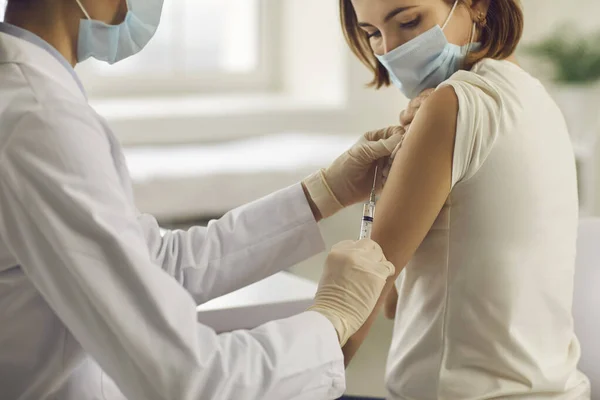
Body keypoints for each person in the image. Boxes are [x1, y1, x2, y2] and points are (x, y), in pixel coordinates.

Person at [0, 1, 409, 399]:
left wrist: (324, 192)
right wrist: (330, 319)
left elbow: (154, 262)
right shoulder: (40, 119)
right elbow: (185, 379)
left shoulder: (30, 96)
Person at [338, 0, 592, 399]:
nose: (389, 50)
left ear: (477, 6)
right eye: (372, 34)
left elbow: (366, 302)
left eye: (408, 21)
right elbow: (397, 303)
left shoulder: (451, 105)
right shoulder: (534, 95)